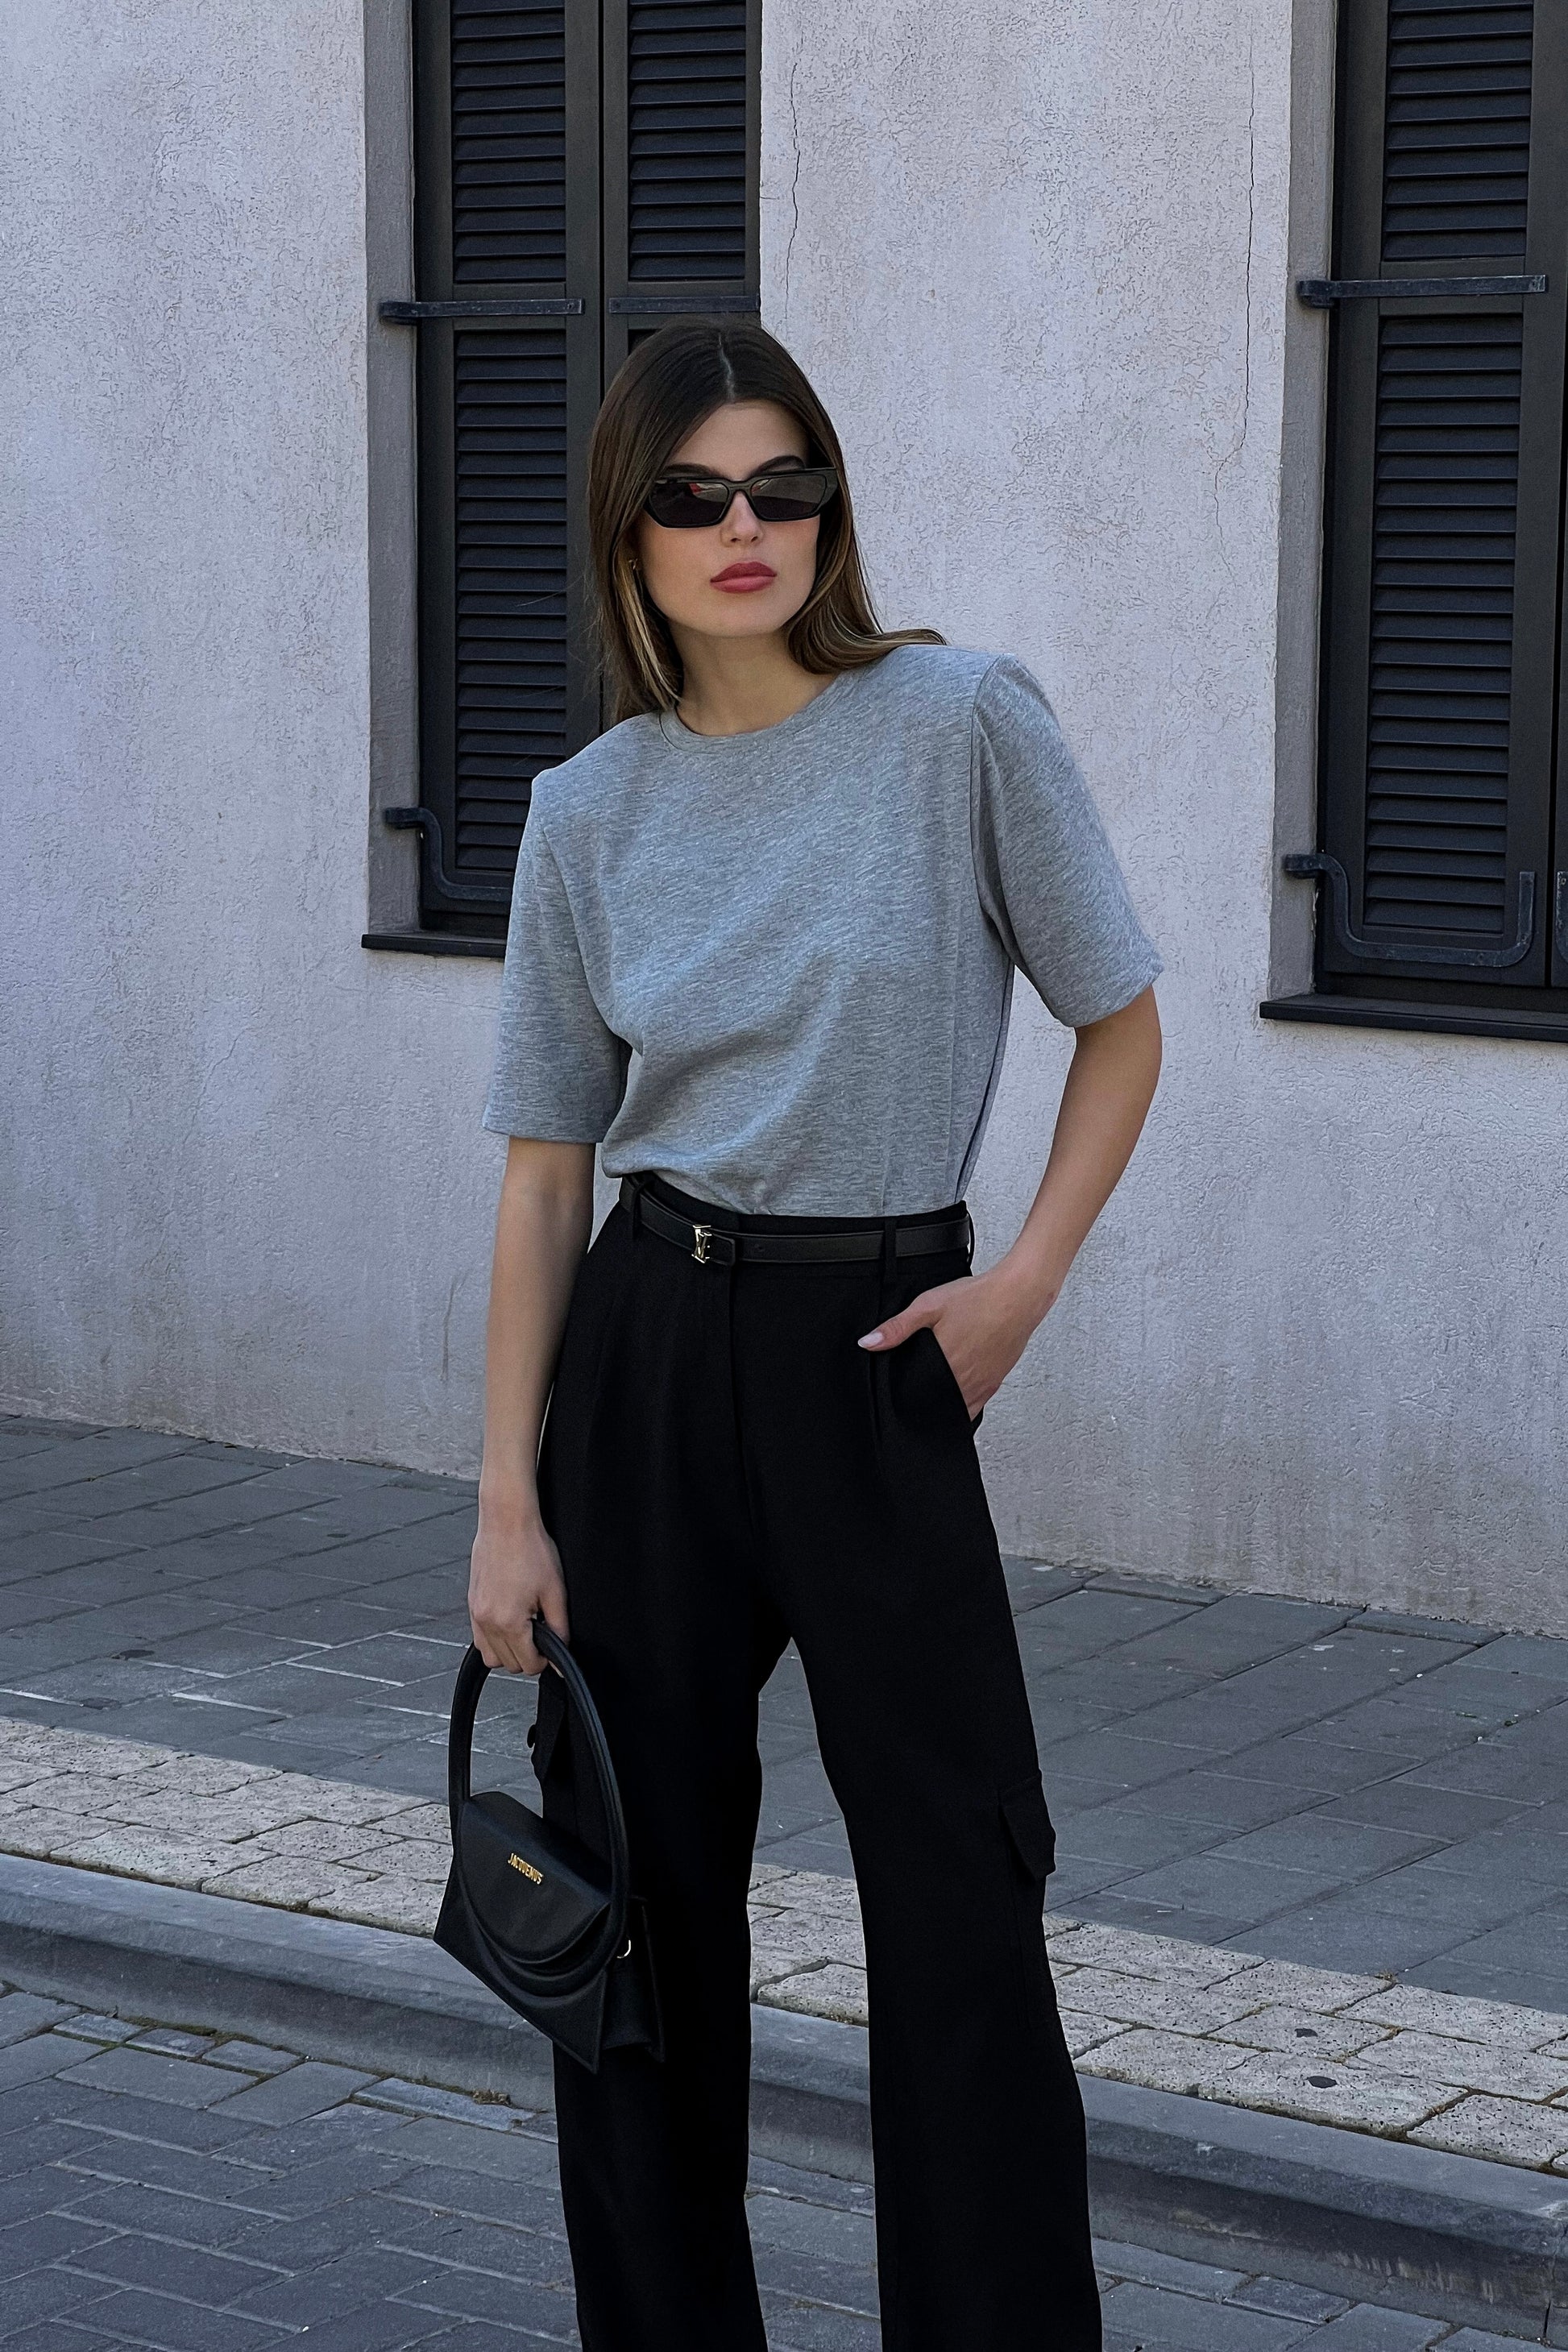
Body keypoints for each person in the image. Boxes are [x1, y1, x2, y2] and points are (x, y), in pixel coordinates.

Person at [468, 317, 1161, 2352]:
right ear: (630, 528)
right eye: (693, 494)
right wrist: (503, 1498)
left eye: (783, 484)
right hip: (644, 1362)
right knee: (636, 1906)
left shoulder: (957, 721)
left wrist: (1018, 1285)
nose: (742, 524)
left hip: (879, 1350)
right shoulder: (585, 809)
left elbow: (1120, 1019)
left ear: (830, 508)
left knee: (960, 1892)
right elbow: (543, 1177)